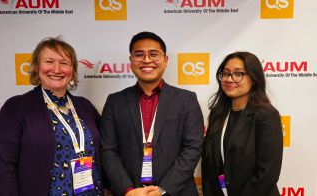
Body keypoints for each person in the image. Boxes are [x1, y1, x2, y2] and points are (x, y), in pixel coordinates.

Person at [0, 37, 104, 196]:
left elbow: (104, 152)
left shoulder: (85, 107)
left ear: (72, 71)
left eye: (64, 63)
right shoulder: (16, 108)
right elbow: (1, 170)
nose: (57, 69)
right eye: (49, 61)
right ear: (37, 67)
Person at [100, 31, 204, 196]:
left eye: (153, 54)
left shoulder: (187, 100)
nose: (147, 60)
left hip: (177, 192)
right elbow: (108, 150)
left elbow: (193, 148)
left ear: (165, 60)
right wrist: (127, 190)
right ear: (131, 61)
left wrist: (163, 190)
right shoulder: (115, 102)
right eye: (139, 54)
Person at [201, 51, 283, 196]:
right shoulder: (217, 114)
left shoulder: (267, 116)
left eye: (238, 74)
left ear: (254, 78)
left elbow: (267, 174)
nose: (229, 79)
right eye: (225, 73)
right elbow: (209, 165)